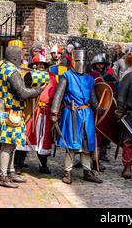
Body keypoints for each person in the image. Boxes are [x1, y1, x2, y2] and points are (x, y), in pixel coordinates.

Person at [50, 49, 103, 185]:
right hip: (72, 114)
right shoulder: (66, 76)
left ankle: (87, 171)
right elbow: (58, 95)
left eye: (83, 61)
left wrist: (98, 108)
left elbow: (91, 97)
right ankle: (67, 171)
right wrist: (54, 112)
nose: (81, 63)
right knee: (71, 143)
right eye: (78, 60)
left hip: (87, 115)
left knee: (86, 143)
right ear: (73, 61)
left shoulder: (89, 79)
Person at [0, 46, 44, 188]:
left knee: (12, 144)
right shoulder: (12, 72)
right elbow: (22, 93)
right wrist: (37, 90)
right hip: (11, 112)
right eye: (19, 56)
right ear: (14, 57)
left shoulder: (1, 67)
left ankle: (10, 171)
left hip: (5, 111)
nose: (21, 58)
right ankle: (3, 175)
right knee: (7, 145)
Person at [16, 54, 57, 174]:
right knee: (27, 136)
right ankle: (18, 164)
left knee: (44, 139)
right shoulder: (29, 76)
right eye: (38, 64)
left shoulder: (52, 77)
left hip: (46, 112)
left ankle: (43, 165)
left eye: (43, 65)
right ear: (34, 65)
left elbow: (55, 95)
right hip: (32, 110)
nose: (40, 66)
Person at [90, 53, 118, 163]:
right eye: (98, 64)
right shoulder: (91, 76)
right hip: (93, 108)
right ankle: (89, 156)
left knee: (104, 131)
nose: (100, 66)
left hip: (107, 108)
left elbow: (114, 93)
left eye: (102, 64)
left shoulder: (110, 78)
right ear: (94, 65)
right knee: (91, 132)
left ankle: (102, 153)